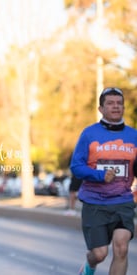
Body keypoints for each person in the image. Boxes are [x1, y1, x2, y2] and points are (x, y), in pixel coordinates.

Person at [70, 87, 137, 275]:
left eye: (119, 103)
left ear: (123, 107)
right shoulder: (89, 134)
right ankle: (89, 265)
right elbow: (76, 166)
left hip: (122, 201)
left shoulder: (134, 136)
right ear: (101, 109)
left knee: (122, 247)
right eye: (110, 103)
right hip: (95, 203)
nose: (116, 107)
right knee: (99, 254)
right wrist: (100, 175)